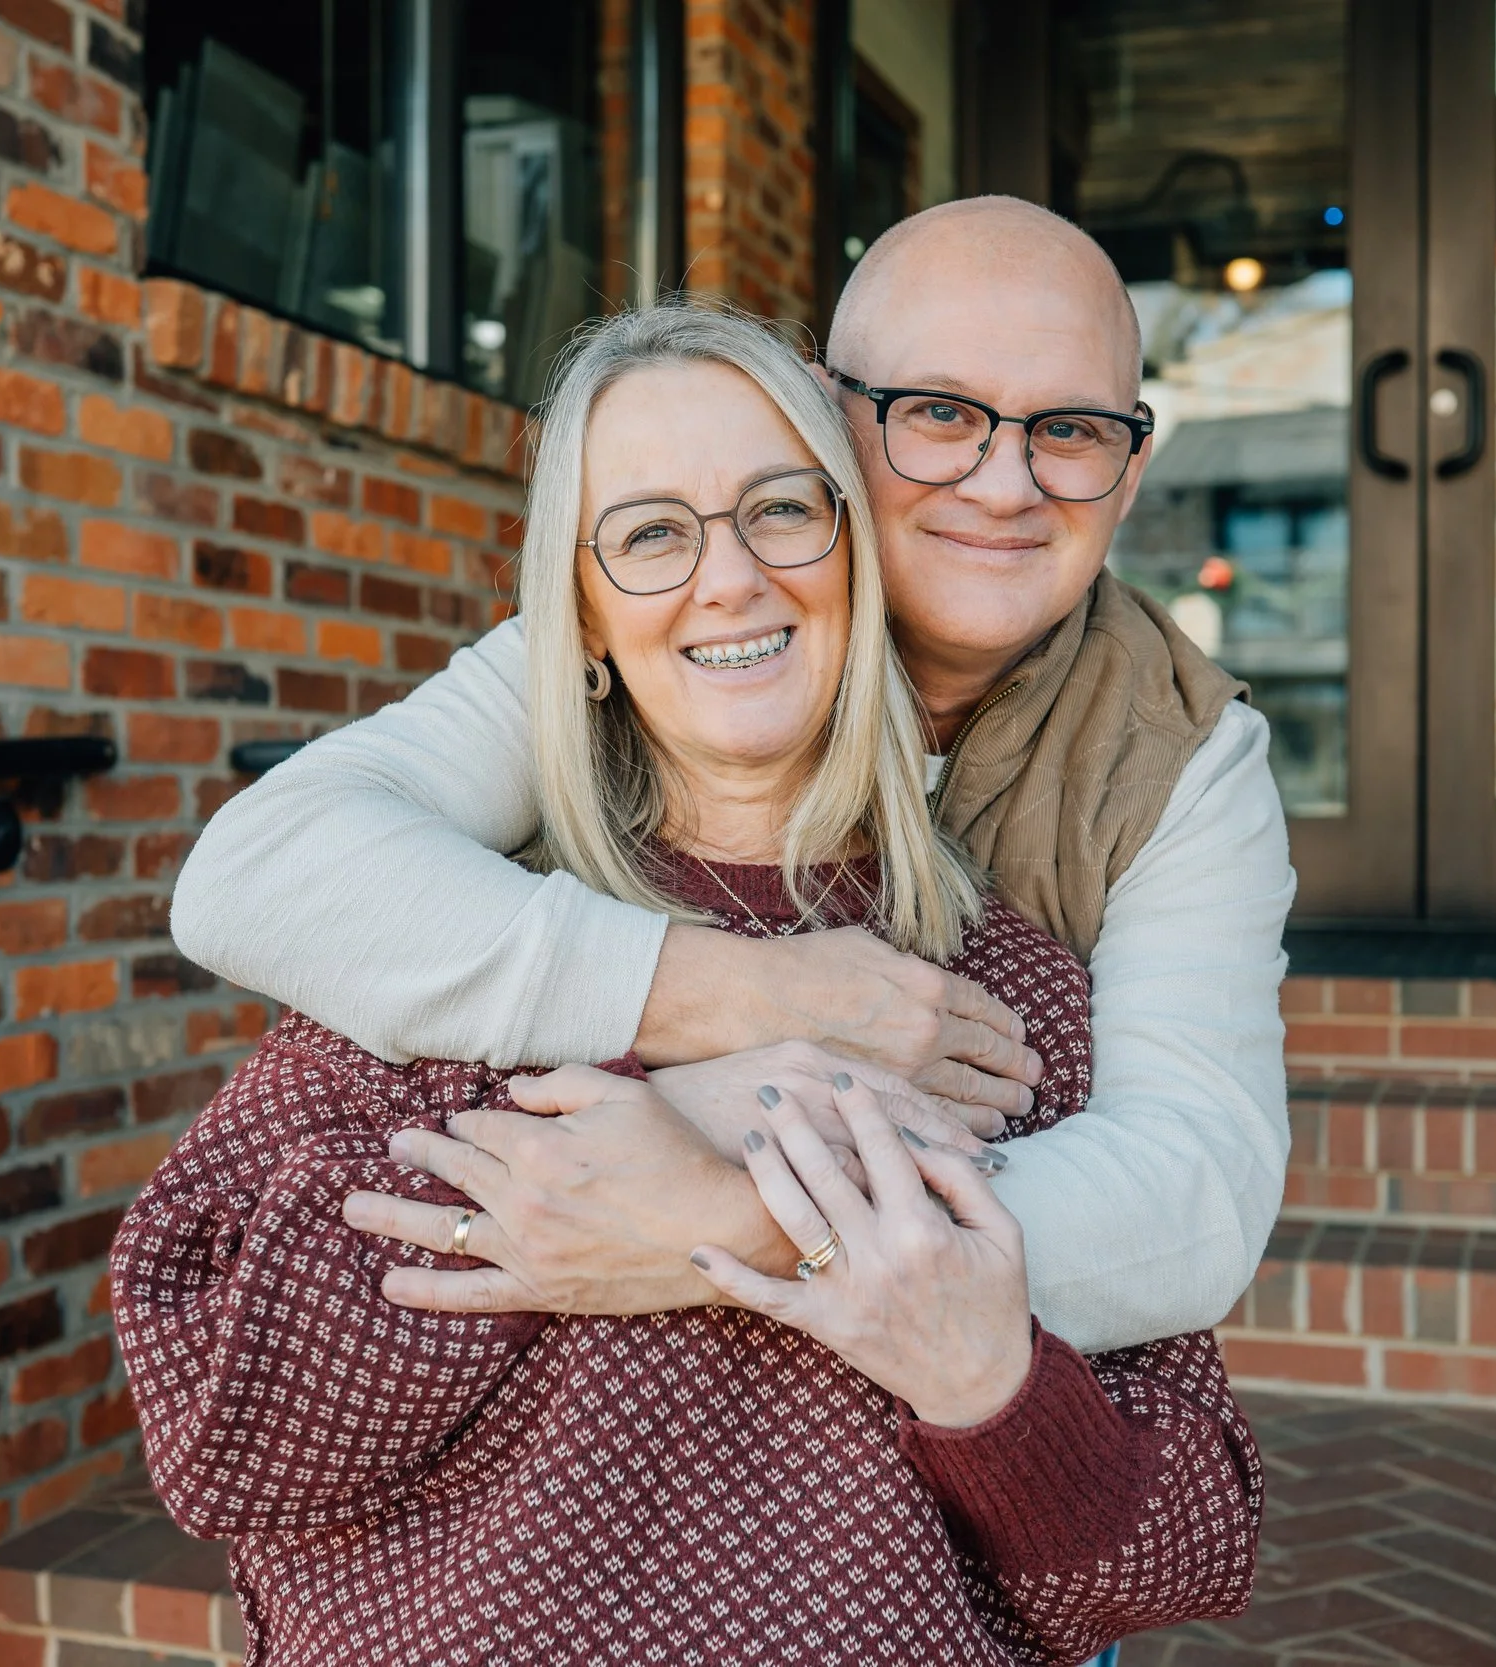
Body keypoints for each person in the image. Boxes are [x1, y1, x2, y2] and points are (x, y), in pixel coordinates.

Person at [112, 305, 1261, 1665]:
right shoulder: (440, 953)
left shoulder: (999, 1005)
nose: (728, 579)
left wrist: (986, 1389)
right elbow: (228, 1432)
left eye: (781, 510)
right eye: (653, 532)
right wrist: (666, 1109)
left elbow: (1172, 1552)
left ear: (859, 560)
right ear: (581, 620)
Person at [169, 197, 1293, 1354]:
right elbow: (259, 873)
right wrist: (740, 996)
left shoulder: (1185, 753)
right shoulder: (683, 627)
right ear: (824, 407)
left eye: (1068, 429)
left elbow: (1194, 1195)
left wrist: (740, 1221)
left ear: (1132, 462)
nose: (1003, 485)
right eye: (940, 413)